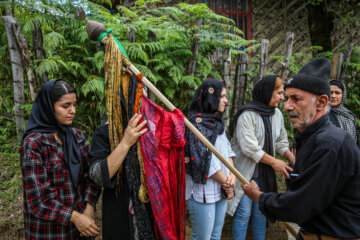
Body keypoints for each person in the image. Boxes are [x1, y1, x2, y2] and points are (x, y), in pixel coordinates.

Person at [242, 57, 360, 239]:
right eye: (287, 98)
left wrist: (259, 196)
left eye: (296, 99)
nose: (287, 106)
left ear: (321, 102)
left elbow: (301, 204)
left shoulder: (330, 145)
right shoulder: (310, 138)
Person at [19, 79, 101, 240]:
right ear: (49, 107)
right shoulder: (34, 144)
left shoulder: (76, 137)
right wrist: (75, 217)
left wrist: (89, 208)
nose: (72, 111)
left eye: (74, 104)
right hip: (49, 232)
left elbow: (89, 176)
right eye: (65, 106)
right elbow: (39, 201)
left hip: (80, 231)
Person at [227, 75, 295, 240]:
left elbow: (280, 141)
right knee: (243, 213)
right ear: (267, 92)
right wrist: (275, 162)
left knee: (261, 213)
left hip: (264, 173)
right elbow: (250, 148)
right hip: (246, 172)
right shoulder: (247, 115)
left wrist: (290, 157)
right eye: (279, 93)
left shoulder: (276, 114)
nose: (281, 97)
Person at [185, 78, 236, 240]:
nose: (226, 101)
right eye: (222, 97)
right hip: (203, 191)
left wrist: (233, 176)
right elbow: (203, 160)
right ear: (210, 97)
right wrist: (227, 183)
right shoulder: (195, 126)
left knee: (215, 236)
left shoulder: (216, 123)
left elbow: (227, 151)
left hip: (221, 189)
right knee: (203, 238)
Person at [88, 113, 150, 240]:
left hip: (151, 215)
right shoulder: (105, 132)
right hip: (119, 215)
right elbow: (97, 175)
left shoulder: (151, 129)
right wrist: (125, 143)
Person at [328, 79, 358, 145]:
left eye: (337, 93)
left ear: (343, 95)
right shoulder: (321, 114)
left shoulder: (349, 116)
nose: (333, 96)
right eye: (330, 92)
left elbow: (355, 142)